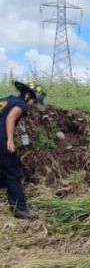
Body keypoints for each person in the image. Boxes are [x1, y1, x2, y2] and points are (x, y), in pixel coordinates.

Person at [0, 81, 46, 219]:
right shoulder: (21, 105)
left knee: (4, 170)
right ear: (27, 96)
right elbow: (10, 118)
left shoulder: (7, 100)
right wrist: (10, 140)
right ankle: (20, 209)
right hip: (1, 140)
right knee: (13, 172)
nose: (34, 105)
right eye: (34, 101)